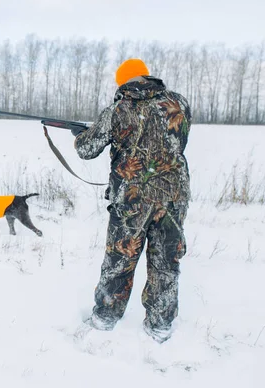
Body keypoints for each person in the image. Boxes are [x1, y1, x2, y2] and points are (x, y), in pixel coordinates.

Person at [72, 58, 192, 343]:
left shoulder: (118, 109)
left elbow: (88, 149)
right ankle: (160, 326)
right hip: (173, 198)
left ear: (124, 82)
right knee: (166, 262)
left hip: (132, 200)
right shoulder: (180, 104)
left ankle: (104, 320)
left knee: (120, 260)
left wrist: (81, 136)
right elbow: (175, 141)